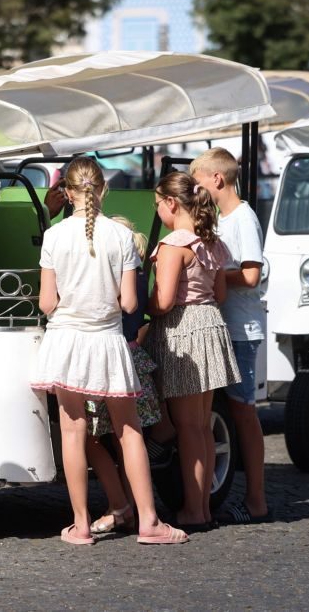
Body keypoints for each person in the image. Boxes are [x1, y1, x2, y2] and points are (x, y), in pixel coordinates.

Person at [30, 155, 188, 546]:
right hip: (107, 341)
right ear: (103, 189)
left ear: (66, 193)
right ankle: (149, 523)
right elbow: (130, 303)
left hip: (66, 340)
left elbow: (46, 303)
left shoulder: (54, 236)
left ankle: (81, 526)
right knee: (129, 431)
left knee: (72, 431)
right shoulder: (120, 237)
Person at [146, 171, 241, 531]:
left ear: (171, 203)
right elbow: (220, 295)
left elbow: (164, 301)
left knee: (186, 429)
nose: (157, 211)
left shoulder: (173, 246)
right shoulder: (212, 242)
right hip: (211, 327)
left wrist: (143, 303)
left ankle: (194, 511)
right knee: (201, 427)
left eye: (157, 205)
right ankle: (202, 507)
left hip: (184, 332)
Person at [190, 147, 272, 524]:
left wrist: (213, 275)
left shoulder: (242, 218)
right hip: (227, 325)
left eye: (198, 182)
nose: (196, 189)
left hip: (242, 328)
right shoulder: (224, 219)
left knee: (243, 414)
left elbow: (252, 275)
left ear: (216, 180)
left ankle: (256, 500)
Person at [84, 214, 164, 535]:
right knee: (127, 439)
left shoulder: (114, 274)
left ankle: (118, 506)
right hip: (133, 358)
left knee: (90, 438)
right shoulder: (138, 272)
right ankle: (129, 506)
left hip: (107, 358)